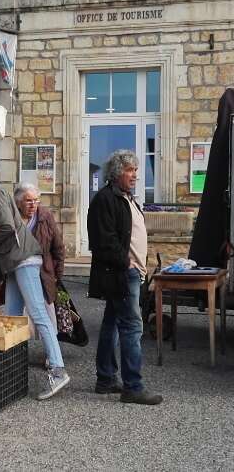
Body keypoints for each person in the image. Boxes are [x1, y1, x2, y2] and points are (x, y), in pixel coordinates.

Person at [0, 156, 70, 400]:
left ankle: (58, 369)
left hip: (23, 260)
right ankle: (11, 371)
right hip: (17, 261)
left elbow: (7, 227)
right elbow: (7, 226)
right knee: (11, 316)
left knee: (39, 315)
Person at [87, 150, 162, 406]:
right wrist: (126, 262)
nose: (135, 175)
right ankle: (133, 386)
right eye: (130, 170)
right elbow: (102, 239)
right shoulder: (105, 199)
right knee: (132, 327)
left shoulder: (126, 198)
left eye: (136, 170)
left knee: (112, 323)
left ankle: (106, 379)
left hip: (130, 273)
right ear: (117, 172)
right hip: (121, 273)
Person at [14, 182, 65, 340]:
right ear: (18, 202)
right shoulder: (12, 217)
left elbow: (58, 247)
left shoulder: (45, 216)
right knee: (17, 315)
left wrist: (57, 275)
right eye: (29, 201)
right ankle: (17, 352)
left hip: (43, 273)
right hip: (16, 272)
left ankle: (52, 356)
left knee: (46, 314)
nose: (33, 205)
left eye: (36, 200)